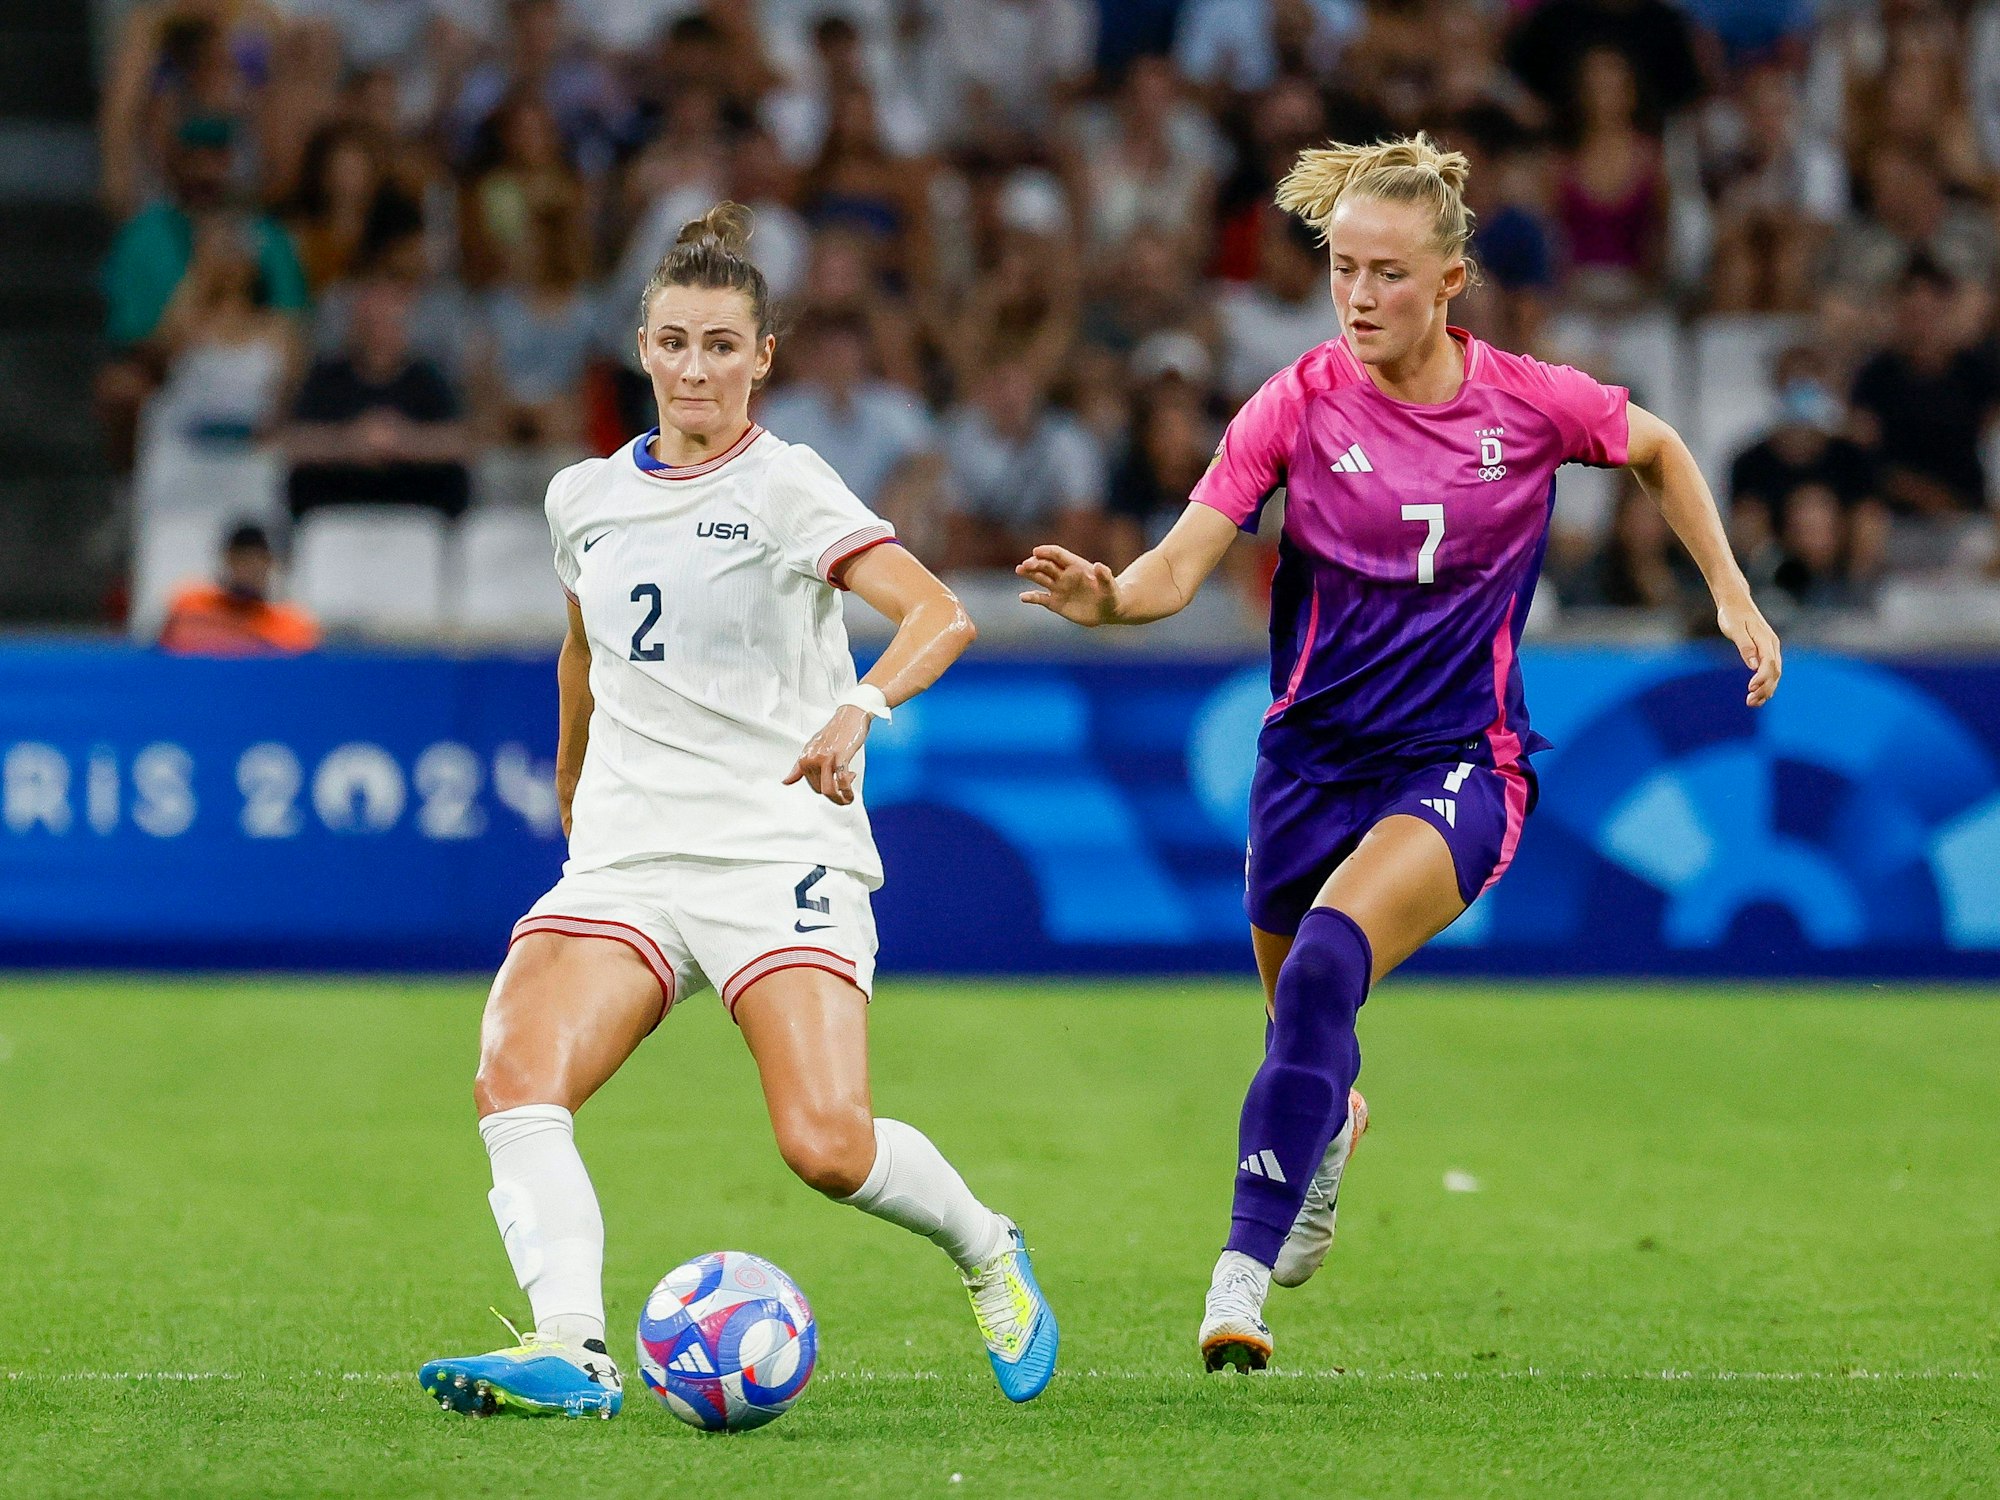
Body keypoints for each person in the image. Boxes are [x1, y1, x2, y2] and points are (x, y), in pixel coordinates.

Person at [1016, 134, 1781, 1372]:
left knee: (1327, 961)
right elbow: (1174, 567)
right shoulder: (1295, 402)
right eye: (1342, 270)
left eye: (1386, 273)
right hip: (1306, 765)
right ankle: (1329, 1125)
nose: (1358, 297)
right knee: (1300, 1021)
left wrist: (1730, 593)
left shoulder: (1526, 403)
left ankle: (1236, 1280)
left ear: (1448, 282)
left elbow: (1657, 449)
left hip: (1457, 760)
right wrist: (1108, 598)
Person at [417, 204, 1058, 1419]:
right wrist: (569, 780)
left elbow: (940, 614)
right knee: (515, 1077)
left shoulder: (786, 485)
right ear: (641, 349)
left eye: (721, 345)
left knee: (826, 1146)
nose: (695, 368)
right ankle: (571, 1346)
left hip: (775, 847)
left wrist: (858, 707)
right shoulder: (582, 497)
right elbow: (581, 651)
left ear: (761, 357)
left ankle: (985, 1246)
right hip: (630, 856)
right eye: (673, 342)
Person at [284, 277, 472, 519]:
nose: (379, 333)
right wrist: (349, 440)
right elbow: (295, 439)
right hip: (338, 508)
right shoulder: (325, 377)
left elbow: (461, 439)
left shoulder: (427, 378)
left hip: (415, 509)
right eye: (371, 323)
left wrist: (403, 440)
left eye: (388, 322)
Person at [157, 522, 321, 655]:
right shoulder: (190, 605)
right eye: (241, 560)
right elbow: (164, 654)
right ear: (227, 559)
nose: (249, 569)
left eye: (258, 561)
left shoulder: (294, 626)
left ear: (270, 563)